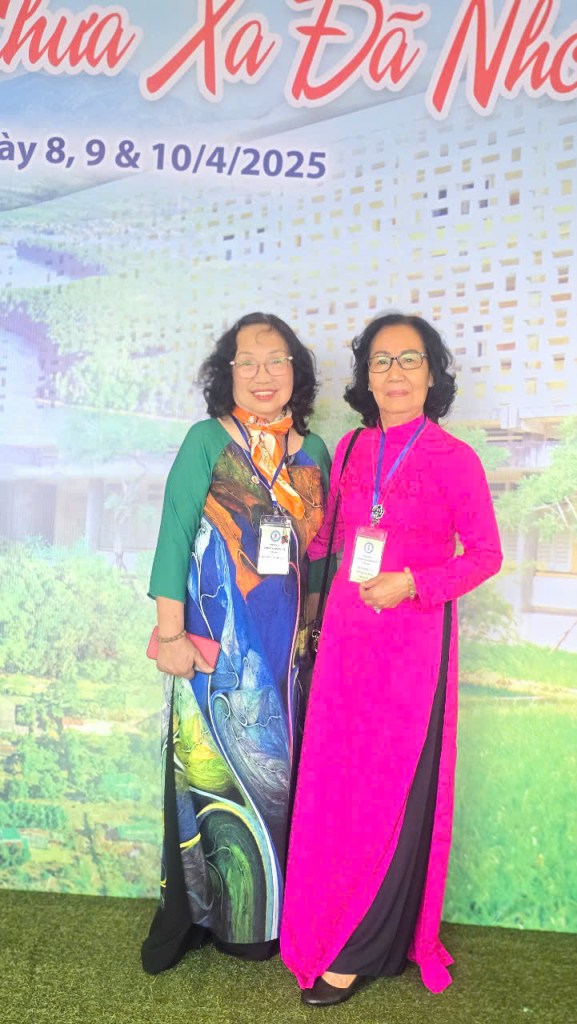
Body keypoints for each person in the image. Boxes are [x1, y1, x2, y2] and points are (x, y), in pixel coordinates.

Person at [280, 312, 503, 1006]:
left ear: (432, 375)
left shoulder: (454, 458)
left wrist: (414, 583)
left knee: (387, 786)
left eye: (409, 359)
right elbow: (328, 543)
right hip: (346, 645)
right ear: (366, 378)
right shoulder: (350, 448)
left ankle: (364, 943)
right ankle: (323, 920)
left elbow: (486, 556)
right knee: (336, 785)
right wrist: (273, 514)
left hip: (412, 647)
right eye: (381, 361)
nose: (395, 373)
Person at [141, 312, 331, 974]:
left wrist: (313, 630)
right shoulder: (207, 441)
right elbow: (173, 536)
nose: (261, 374)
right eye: (246, 362)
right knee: (205, 777)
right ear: (227, 374)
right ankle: (199, 915)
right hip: (210, 645)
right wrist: (170, 633)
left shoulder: (313, 453)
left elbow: (319, 554)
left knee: (277, 783)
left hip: (284, 659)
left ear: (296, 372)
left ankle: (262, 919)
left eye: (275, 360)